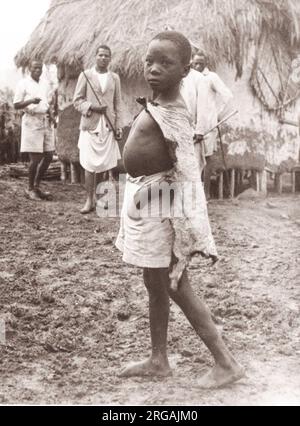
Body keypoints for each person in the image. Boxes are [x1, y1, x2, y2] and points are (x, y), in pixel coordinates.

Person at [115, 31, 244, 388]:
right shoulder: (159, 106)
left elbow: (187, 173)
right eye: (149, 61)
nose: (153, 69)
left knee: (176, 283)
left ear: (185, 70)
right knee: (153, 280)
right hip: (145, 198)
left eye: (165, 63)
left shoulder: (175, 115)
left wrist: (190, 234)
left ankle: (226, 363)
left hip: (164, 202)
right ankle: (159, 359)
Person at [73, 45, 123, 214]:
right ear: (95, 56)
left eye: (106, 56)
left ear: (110, 58)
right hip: (90, 125)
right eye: (100, 55)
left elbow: (118, 104)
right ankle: (89, 199)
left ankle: (100, 199)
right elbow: (77, 101)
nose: (103, 58)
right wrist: (93, 107)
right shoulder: (85, 76)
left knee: (103, 164)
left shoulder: (114, 78)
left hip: (108, 126)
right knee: (89, 164)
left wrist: (118, 126)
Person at [192, 51, 234, 198]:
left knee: (207, 158)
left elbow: (227, 95)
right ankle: (194, 194)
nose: (197, 66)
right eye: (195, 63)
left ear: (205, 64)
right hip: (194, 126)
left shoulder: (211, 78)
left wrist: (217, 113)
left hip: (208, 126)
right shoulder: (190, 78)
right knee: (194, 159)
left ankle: (206, 193)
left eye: (200, 64)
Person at [14, 60, 55, 200]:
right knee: (36, 158)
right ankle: (30, 188)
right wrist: (31, 101)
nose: (37, 70)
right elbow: (16, 104)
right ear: (29, 69)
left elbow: (46, 103)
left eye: (40, 67)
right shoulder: (23, 83)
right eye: (35, 67)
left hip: (45, 120)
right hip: (31, 121)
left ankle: (37, 186)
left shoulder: (44, 83)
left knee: (49, 155)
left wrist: (52, 116)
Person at [180, 64, 209, 176]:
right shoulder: (171, 74)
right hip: (173, 129)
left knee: (192, 170)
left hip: (191, 131)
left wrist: (199, 130)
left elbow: (202, 106)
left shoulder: (198, 78)